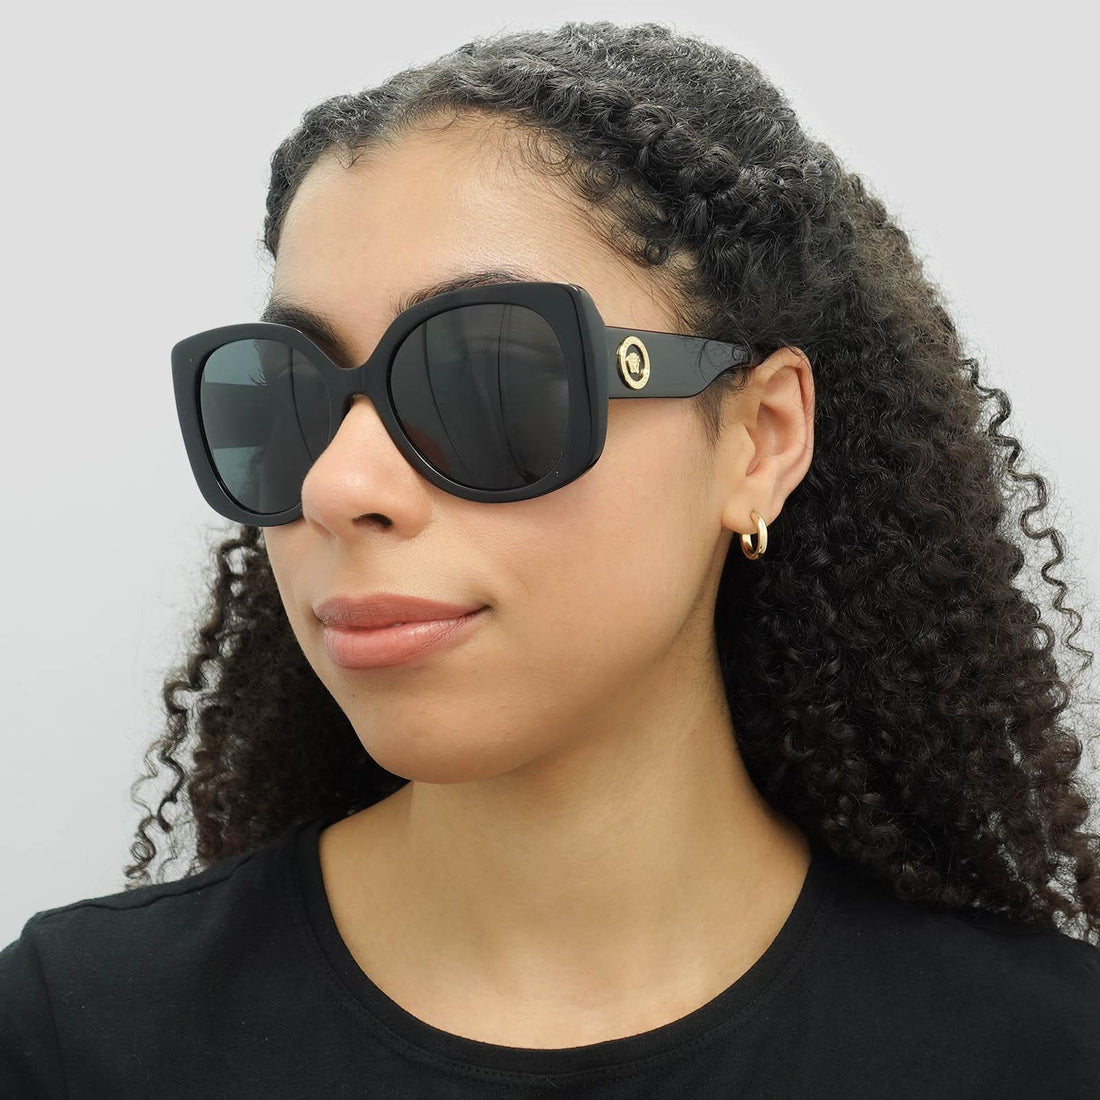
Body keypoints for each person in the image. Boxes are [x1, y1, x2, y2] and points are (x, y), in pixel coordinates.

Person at [2, 19, 1098, 1098]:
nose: (337, 485)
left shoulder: (1043, 1055)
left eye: (487, 379)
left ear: (759, 440)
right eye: (289, 396)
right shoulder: (78, 1037)